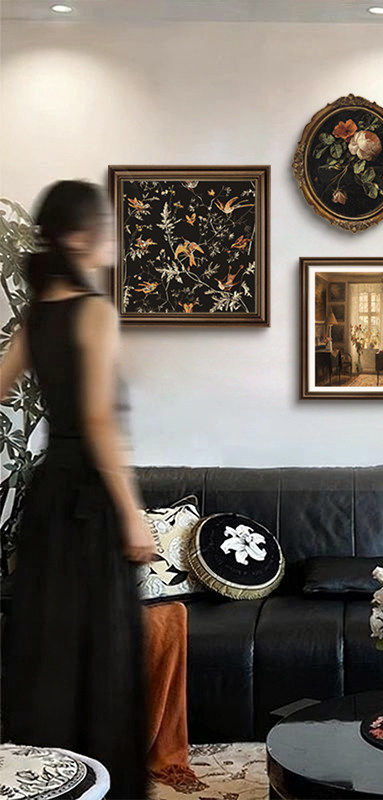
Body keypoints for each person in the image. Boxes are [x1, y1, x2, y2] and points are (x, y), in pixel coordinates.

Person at [0, 180, 156, 799]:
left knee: (48, 649)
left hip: (48, 496)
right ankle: (105, 785)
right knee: (102, 652)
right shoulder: (95, 312)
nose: (111, 238)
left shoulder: (37, 315)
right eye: (104, 227)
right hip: (89, 503)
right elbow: (98, 422)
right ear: (77, 237)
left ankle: (44, 784)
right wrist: (132, 514)